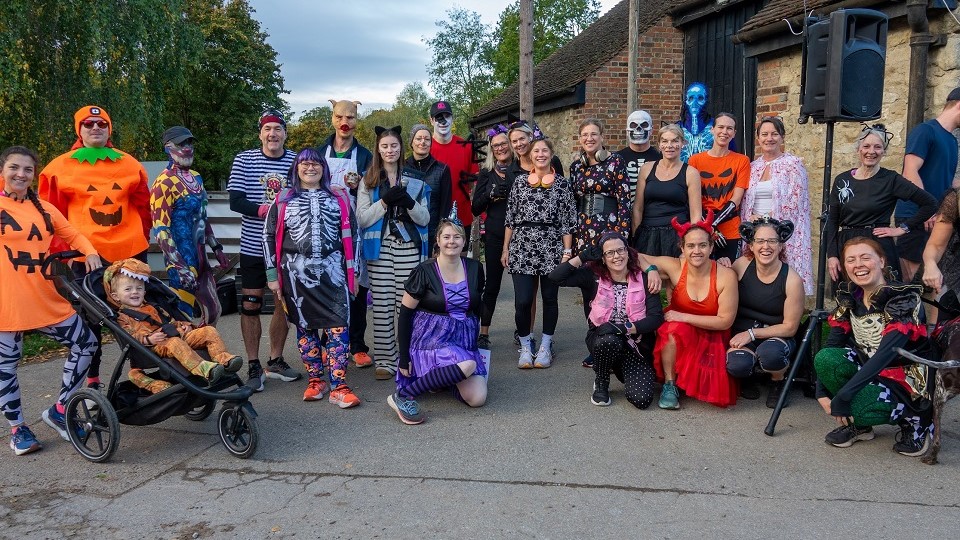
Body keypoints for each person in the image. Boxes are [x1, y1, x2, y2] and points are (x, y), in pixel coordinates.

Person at [38, 105, 151, 392]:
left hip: (130, 253)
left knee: (139, 313)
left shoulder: (129, 164)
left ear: (109, 128)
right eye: (88, 124)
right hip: (87, 257)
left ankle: (143, 371)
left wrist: (146, 238)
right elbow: (49, 215)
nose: (95, 128)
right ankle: (92, 381)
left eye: (101, 123)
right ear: (79, 129)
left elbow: (143, 206)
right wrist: (61, 251)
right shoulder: (58, 168)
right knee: (92, 320)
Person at [0, 146, 100, 455]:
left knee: (86, 343)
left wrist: (91, 252)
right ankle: (18, 429)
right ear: (2, 171)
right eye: (14, 168)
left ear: (34, 175)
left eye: (27, 170)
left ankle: (60, 409)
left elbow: (73, 234)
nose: (20, 174)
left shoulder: (43, 208)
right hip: (6, 303)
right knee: (5, 367)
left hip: (44, 298)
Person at [814, 237, 935, 456]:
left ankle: (917, 422)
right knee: (827, 358)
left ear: (881, 261)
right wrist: (821, 392)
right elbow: (832, 346)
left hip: (906, 380)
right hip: (870, 371)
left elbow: (886, 354)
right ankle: (861, 426)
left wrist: (844, 396)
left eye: (865, 257)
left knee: (862, 404)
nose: (858, 264)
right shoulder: (851, 297)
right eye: (851, 260)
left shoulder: (902, 297)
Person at [264, 149, 361, 407]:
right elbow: (268, 235)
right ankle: (316, 380)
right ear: (296, 169)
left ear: (323, 169)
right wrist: (272, 275)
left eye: (315, 164)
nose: (310, 168)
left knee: (339, 326)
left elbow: (355, 234)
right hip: (296, 273)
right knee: (305, 327)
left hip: (334, 272)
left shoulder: (339, 197)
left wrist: (355, 271)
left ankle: (339, 384)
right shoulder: (283, 199)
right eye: (304, 163)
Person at [388, 219, 487, 424]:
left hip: (463, 340)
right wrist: (404, 355)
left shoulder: (476, 268)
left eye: (457, 236)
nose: (452, 241)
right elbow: (405, 313)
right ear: (438, 240)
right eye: (447, 237)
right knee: (466, 365)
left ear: (464, 240)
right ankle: (404, 395)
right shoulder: (424, 271)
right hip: (431, 338)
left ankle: (444, 379)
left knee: (477, 398)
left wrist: (478, 339)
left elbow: (477, 308)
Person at [227, 109, 300, 391]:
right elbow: (235, 200)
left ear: (284, 133)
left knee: (283, 302)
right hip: (254, 245)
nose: (273, 134)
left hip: (286, 245)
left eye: (278, 129)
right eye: (268, 129)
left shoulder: (295, 161)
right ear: (260, 133)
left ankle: (276, 359)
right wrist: (266, 211)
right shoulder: (244, 159)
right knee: (251, 304)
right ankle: (254, 363)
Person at [549, 231, 664, 408]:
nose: (616, 256)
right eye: (610, 253)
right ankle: (602, 380)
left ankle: (619, 368)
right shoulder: (592, 276)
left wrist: (624, 328)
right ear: (603, 258)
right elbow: (555, 277)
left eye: (620, 250)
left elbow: (656, 318)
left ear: (628, 252)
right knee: (608, 340)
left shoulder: (645, 278)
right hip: (603, 338)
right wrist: (582, 257)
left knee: (641, 400)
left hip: (636, 344)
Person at [103, 259, 242, 394]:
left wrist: (184, 325)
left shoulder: (153, 307)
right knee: (175, 343)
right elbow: (128, 335)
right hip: (155, 347)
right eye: (128, 289)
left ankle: (223, 360)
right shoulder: (123, 317)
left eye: (139, 288)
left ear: (144, 292)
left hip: (175, 335)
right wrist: (148, 339)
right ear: (115, 296)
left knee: (208, 331)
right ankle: (204, 369)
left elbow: (170, 321)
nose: (135, 292)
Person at [357, 126, 431, 380]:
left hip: (408, 247)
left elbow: (425, 218)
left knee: (407, 305)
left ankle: (406, 357)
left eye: (394, 146)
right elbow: (363, 218)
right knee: (382, 305)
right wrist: (385, 202)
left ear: (401, 148)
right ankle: (386, 360)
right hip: (379, 250)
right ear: (378, 149)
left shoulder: (415, 180)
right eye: (385, 146)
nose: (390, 150)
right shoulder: (368, 181)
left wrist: (409, 203)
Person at [646, 213, 739, 409]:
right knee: (670, 329)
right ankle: (670, 385)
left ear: (711, 247)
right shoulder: (676, 267)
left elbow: (725, 321)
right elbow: (634, 256)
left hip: (713, 334)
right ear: (682, 248)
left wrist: (684, 316)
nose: (697, 251)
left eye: (702, 245)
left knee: (675, 323)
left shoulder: (725, 276)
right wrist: (651, 269)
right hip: (681, 332)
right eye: (690, 246)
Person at [824, 124, 938, 284]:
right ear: (858, 149)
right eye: (866, 146)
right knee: (848, 300)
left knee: (881, 297)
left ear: (884, 151)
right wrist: (832, 255)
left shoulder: (891, 180)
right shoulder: (842, 180)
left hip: (877, 246)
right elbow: (832, 221)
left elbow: (930, 204)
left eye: (878, 147)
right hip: (846, 246)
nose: (871, 151)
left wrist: (902, 229)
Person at [502, 137, 576, 369]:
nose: (540, 154)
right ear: (530, 155)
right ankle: (525, 345)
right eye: (536, 151)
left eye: (545, 150)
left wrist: (566, 253)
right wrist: (506, 248)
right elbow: (510, 218)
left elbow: (568, 221)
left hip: (552, 247)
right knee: (523, 301)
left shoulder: (563, 185)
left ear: (551, 154)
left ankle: (546, 345)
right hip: (522, 247)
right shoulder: (520, 182)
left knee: (550, 299)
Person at [151, 126, 230, 326]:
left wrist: (217, 248)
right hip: (181, 258)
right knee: (182, 316)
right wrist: (179, 266)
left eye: (189, 143)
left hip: (200, 256)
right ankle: (182, 355)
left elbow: (202, 216)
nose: (186, 148)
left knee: (213, 311)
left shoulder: (196, 177)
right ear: (168, 147)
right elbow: (161, 229)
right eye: (181, 144)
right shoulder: (163, 182)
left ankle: (203, 349)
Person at [317, 99, 375, 369]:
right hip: (325, 228)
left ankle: (357, 344)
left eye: (350, 117)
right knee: (327, 285)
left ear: (356, 120)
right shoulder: (318, 152)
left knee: (358, 287)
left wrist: (358, 186)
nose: (345, 122)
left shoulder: (364, 155)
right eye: (340, 116)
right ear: (332, 117)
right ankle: (328, 342)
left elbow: (373, 190)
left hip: (355, 228)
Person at [726, 218, 804, 408]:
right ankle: (749, 375)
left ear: (780, 246)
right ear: (751, 245)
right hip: (742, 334)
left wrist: (752, 333)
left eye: (772, 241)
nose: (766, 246)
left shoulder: (792, 279)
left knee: (771, 354)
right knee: (737, 365)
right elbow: (719, 284)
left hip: (776, 335)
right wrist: (722, 267)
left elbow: (790, 327)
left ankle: (778, 380)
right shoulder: (741, 265)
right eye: (760, 241)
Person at [741, 116, 813, 295]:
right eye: (764, 134)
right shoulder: (753, 166)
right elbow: (746, 202)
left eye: (774, 134)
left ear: (782, 137)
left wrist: (767, 222)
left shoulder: (793, 164)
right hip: (755, 231)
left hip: (782, 232)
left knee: (784, 282)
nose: (769, 138)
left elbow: (795, 203)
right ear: (758, 139)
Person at [898, 88, 960, 282]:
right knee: (909, 281)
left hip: (937, 218)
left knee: (935, 282)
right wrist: (929, 210)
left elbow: (948, 182)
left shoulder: (951, 140)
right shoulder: (926, 130)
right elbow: (910, 171)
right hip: (915, 215)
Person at [688, 113, 751, 263]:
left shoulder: (742, 161)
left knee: (730, 272)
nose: (724, 132)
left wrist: (713, 224)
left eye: (729, 128)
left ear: (734, 133)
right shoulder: (695, 160)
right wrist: (709, 228)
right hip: (702, 228)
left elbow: (736, 199)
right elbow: (692, 198)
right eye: (721, 127)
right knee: (702, 273)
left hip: (730, 229)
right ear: (712, 129)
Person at [632, 124, 702, 257]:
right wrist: (636, 235)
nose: (669, 145)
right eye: (664, 141)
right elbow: (637, 208)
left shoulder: (691, 173)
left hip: (677, 236)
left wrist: (691, 244)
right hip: (647, 235)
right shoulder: (646, 169)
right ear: (659, 145)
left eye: (675, 141)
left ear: (682, 143)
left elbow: (695, 214)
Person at [472, 124, 513, 349]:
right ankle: (484, 331)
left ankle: (522, 330)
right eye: (495, 145)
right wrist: (489, 195)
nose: (500, 148)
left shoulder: (520, 169)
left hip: (521, 235)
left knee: (524, 289)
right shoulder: (486, 173)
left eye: (503, 144)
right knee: (492, 285)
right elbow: (475, 209)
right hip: (496, 234)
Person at [569, 118, 631, 251]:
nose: (589, 138)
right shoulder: (576, 167)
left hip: (609, 226)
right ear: (580, 139)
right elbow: (573, 201)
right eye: (585, 135)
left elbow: (624, 200)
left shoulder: (616, 161)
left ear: (602, 137)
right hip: (581, 229)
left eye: (594, 134)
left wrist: (622, 233)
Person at [429, 101, 477, 237]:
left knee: (460, 258)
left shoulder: (466, 146)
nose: (443, 121)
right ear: (431, 121)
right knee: (434, 258)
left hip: (462, 217)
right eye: (438, 117)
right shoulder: (425, 149)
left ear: (452, 119)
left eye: (447, 116)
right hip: (433, 218)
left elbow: (474, 182)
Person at [405, 123, 452, 244]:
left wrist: (440, 234)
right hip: (407, 232)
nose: (423, 142)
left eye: (427, 139)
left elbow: (445, 206)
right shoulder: (402, 168)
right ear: (411, 142)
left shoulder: (442, 170)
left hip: (432, 233)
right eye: (418, 138)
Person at [922, 186, 960, 299]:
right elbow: (936, 245)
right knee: (944, 309)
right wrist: (930, 264)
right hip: (955, 271)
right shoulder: (955, 198)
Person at [618, 110, 662, 207]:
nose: (638, 129)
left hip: (652, 216)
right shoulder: (617, 159)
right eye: (633, 126)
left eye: (644, 125)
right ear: (627, 130)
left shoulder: (661, 159)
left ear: (651, 130)